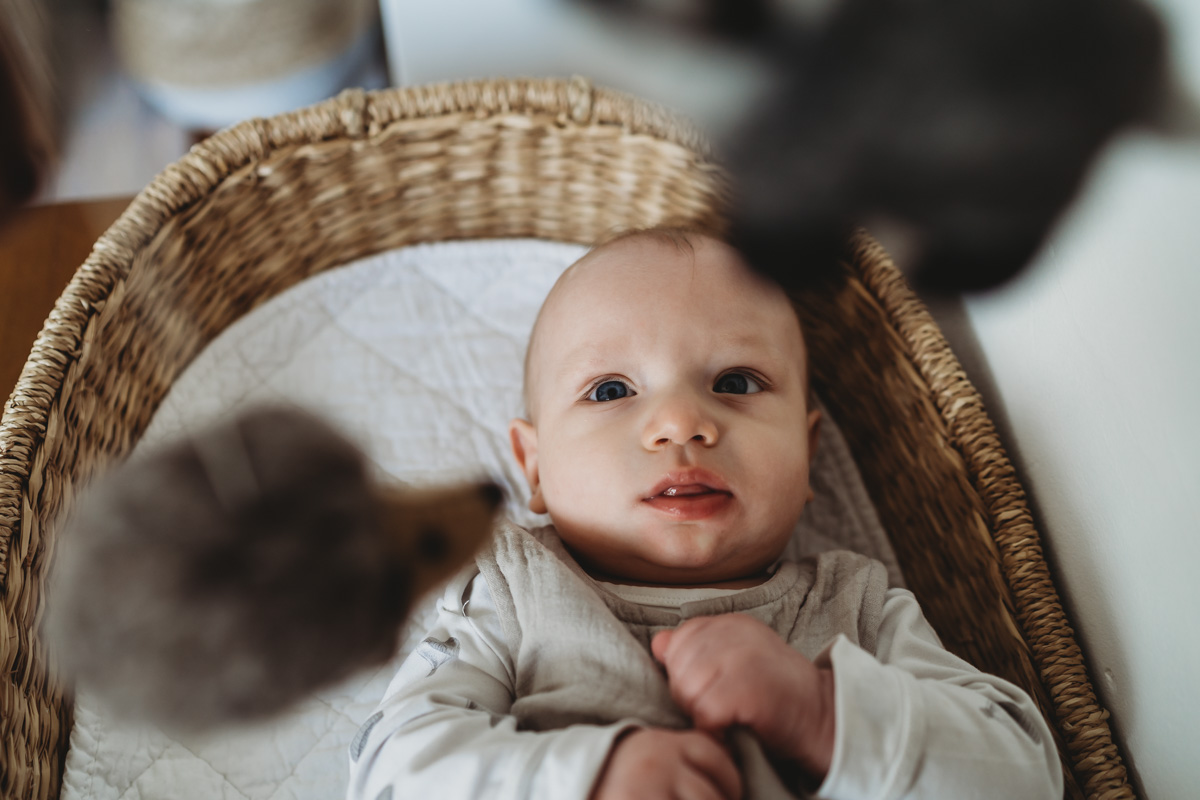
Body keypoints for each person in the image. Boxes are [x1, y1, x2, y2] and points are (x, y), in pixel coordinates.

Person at [346, 227, 1063, 799]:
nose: (681, 423)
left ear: (807, 455)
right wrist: (586, 778)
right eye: (610, 391)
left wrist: (824, 714)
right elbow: (390, 767)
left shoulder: (858, 606)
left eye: (736, 382)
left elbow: (1025, 776)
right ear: (534, 467)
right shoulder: (511, 591)